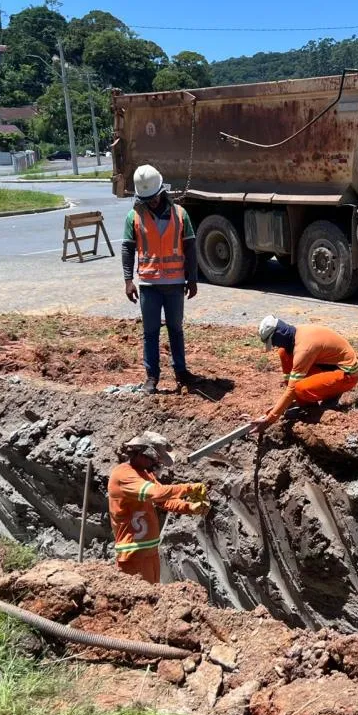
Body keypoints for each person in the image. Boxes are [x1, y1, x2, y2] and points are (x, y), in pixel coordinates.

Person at [122, 164, 199, 395]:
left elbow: (191, 248)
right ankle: (152, 376)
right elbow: (128, 249)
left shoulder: (180, 214)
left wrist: (192, 279)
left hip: (175, 284)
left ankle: (181, 371)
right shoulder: (134, 216)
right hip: (149, 285)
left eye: (154, 197)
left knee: (176, 329)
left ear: (162, 191)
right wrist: (128, 280)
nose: (152, 202)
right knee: (150, 332)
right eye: (147, 199)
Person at [107, 433, 210, 582]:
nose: (156, 465)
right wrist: (189, 488)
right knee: (139, 599)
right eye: (155, 460)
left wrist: (190, 507)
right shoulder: (123, 475)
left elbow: (164, 501)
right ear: (143, 454)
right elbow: (157, 493)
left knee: (153, 596)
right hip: (132, 553)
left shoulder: (144, 475)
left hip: (150, 551)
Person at [251, 316, 358, 431]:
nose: (273, 345)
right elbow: (291, 385)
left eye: (273, 342)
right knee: (284, 353)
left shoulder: (304, 349)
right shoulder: (296, 334)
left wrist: (270, 419)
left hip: (346, 375)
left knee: (300, 389)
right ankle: (306, 404)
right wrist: (281, 406)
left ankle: (319, 406)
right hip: (328, 366)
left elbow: (292, 388)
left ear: (279, 335)